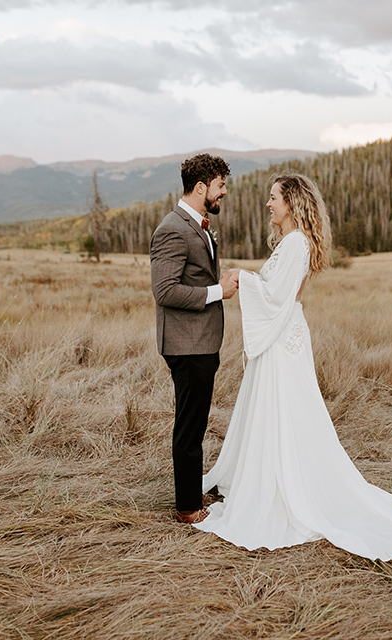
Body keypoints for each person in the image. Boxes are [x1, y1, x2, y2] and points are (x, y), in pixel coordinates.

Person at [194, 174, 392, 560]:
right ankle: (268, 475)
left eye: (273, 197)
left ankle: (284, 486)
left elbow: (277, 297)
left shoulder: (296, 243)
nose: (268, 204)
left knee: (287, 410)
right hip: (283, 337)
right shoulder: (293, 242)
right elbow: (279, 293)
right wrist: (252, 280)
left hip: (283, 340)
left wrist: (243, 277)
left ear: (292, 203)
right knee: (281, 411)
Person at [150, 153, 239, 524]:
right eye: (219, 187)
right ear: (201, 187)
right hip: (187, 346)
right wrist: (218, 292)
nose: (222, 194)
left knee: (196, 422)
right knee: (189, 426)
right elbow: (165, 291)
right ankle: (187, 507)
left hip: (201, 342)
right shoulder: (173, 228)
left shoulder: (197, 225)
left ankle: (190, 490)